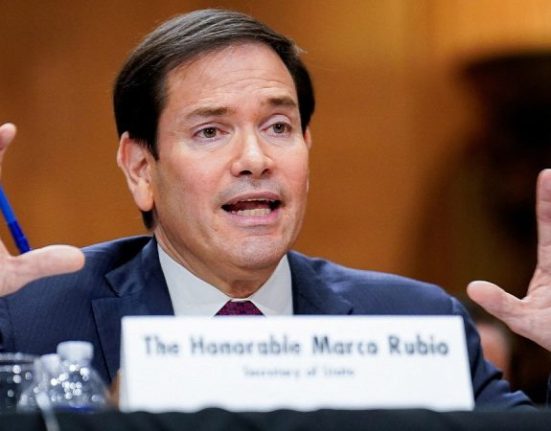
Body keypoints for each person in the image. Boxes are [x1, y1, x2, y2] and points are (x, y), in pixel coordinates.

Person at [0, 9, 533, 408]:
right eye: (210, 132)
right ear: (141, 168)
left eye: (278, 127)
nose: (255, 159)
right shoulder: (29, 320)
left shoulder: (415, 321)